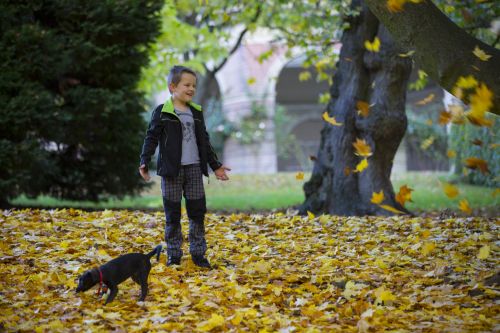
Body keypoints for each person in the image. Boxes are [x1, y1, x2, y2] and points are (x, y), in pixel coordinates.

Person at [139, 65, 230, 268]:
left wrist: (215, 166)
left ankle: (198, 254)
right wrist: (144, 160)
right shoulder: (162, 112)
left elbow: (204, 141)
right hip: (171, 172)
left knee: (197, 213)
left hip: (194, 170)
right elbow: (151, 138)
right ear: (173, 87)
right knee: (172, 215)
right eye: (186, 85)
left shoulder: (196, 112)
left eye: (194, 86)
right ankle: (174, 254)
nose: (191, 89)